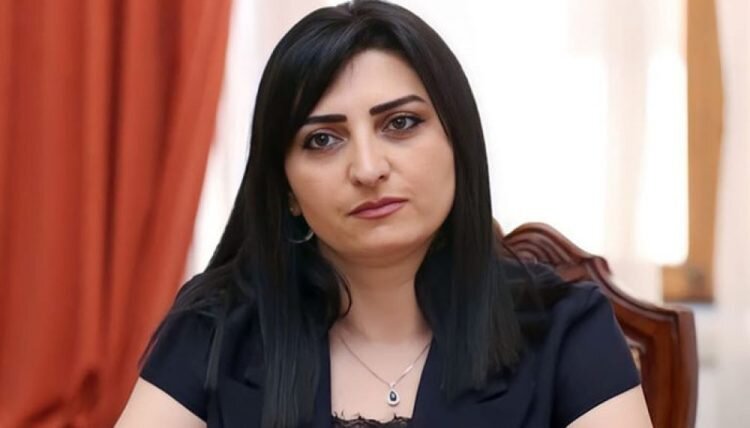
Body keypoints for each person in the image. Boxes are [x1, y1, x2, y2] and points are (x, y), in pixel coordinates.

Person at [116, 1, 652, 427]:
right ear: (286, 191)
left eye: (400, 124)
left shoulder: (566, 330)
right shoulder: (216, 330)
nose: (368, 169)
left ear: (459, 144)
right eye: (323, 139)